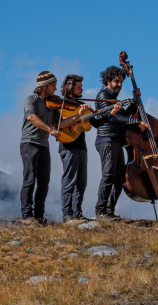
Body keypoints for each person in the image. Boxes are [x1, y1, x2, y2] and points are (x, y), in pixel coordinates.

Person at [20, 71, 91, 224]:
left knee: (44, 182)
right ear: (44, 86)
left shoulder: (51, 105)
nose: (56, 88)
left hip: (44, 145)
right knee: (30, 179)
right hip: (29, 143)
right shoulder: (31, 99)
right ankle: (27, 215)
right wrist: (50, 130)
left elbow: (62, 123)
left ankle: (39, 216)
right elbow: (32, 117)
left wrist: (78, 114)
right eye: (53, 85)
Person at [94, 65, 148, 221]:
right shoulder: (103, 95)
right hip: (107, 139)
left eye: (121, 82)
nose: (119, 85)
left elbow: (122, 114)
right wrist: (135, 122)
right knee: (108, 175)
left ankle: (109, 211)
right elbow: (114, 118)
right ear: (108, 80)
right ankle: (101, 211)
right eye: (116, 81)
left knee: (118, 178)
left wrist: (135, 103)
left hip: (116, 140)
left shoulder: (113, 97)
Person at [58, 74, 107, 222]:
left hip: (81, 146)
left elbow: (95, 124)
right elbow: (60, 123)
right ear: (69, 88)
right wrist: (78, 115)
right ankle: (67, 215)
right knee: (69, 180)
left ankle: (77, 213)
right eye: (78, 87)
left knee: (81, 182)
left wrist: (110, 113)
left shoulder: (82, 105)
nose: (81, 90)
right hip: (68, 145)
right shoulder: (61, 105)